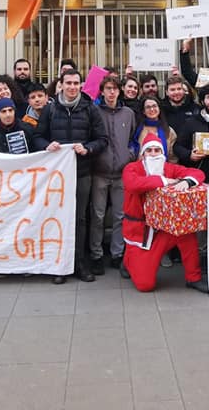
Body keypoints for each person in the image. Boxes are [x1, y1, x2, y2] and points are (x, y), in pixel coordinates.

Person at [33, 68, 108, 284]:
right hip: (57, 176)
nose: (72, 87)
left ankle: (79, 263)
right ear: (62, 85)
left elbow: (102, 139)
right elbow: (37, 137)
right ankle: (60, 264)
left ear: (81, 85)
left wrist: (88, 148)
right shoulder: (50, 109)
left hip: (82, 172)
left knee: (81, 218)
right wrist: (47, 145)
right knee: (58, 217)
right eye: (69, 83)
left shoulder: (89, 109)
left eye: (76, 83)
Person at [122, 135, 209, 293]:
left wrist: (187, 181)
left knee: (186, 230)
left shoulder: (169, 168)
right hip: (142, 232)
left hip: (164, 228)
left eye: (157, 150)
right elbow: (133, 184)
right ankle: (128, 261)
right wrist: (163, 181)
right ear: (142, 154)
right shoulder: (132, 168)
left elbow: (198, 173)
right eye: (149, 150)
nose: (154, 154)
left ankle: (193, 278)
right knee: (145, 285)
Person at [89, 75, 136, 276]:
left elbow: (133, 138)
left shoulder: (128, 113)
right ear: (102, 91)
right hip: (99, 171)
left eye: (115, 89)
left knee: (119, 215)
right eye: (107, 88)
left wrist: (130, 155)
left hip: (121, 173)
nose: (111, 92)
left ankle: (117, 254)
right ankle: (96, 254)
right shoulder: (95, 112)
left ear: (120, 91)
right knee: (98, 216)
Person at [132, 96, 178, 162]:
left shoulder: (169, 131)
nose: (152, 109)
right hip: (140, 169)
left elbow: (173, 157)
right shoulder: (137, 129)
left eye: (154, 106)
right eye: (148, 107)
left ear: (159, 108)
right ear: (143, 111)